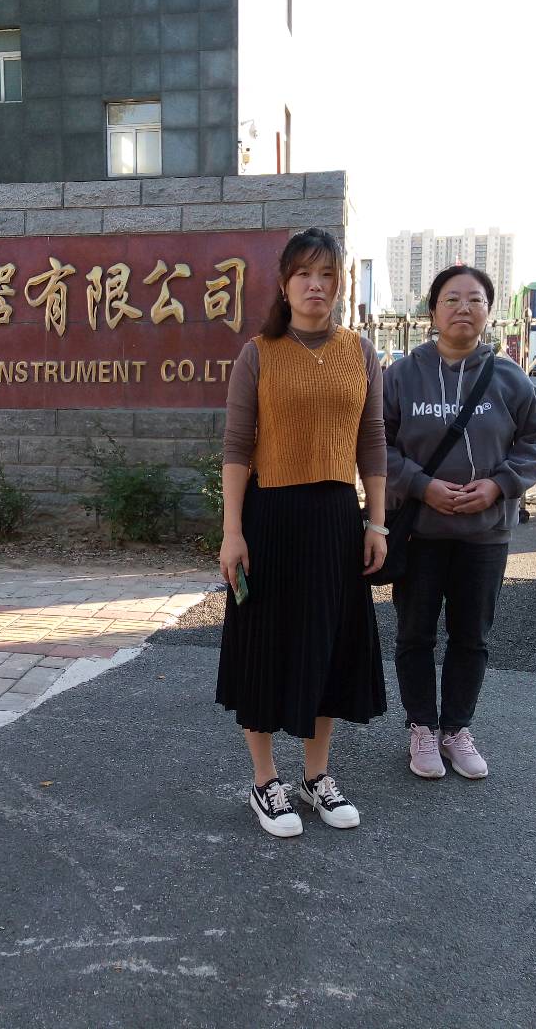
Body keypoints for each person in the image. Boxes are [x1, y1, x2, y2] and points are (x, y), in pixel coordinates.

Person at [216, 227, 388, 838]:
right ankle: (265, 782)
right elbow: (237, 447)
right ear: (285, 284)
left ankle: (316, 776)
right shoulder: (258, 353)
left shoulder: (360, 352)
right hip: (270, 518)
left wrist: (376, 521)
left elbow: (372, 441)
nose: (316, 285)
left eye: (327, 275)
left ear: (340, 284)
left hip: (337, 520)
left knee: (327, 645)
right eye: (304, 274)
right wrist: (232, 532)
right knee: (265, 646)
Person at [383, 265, 536, 780]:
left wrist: (499, 485)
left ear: (488, 311)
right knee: (415, 634)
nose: (463, 308)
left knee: (471, 636)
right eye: (451, 299)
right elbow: (375, 445)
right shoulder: (401, 375)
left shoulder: (509, 378)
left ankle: (456, 729)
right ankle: (421, 727)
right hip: (419, 531)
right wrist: (422, 485)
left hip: (485, 534)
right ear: (432, 311)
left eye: (474, 300)